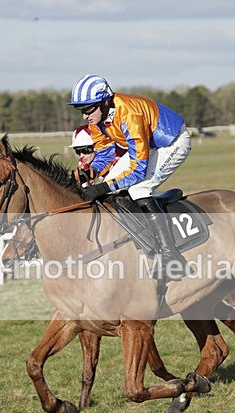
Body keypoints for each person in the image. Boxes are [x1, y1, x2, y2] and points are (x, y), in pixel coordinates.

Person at [66, 74, 192, 279]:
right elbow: (105, 151)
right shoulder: (97, 120)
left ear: (104, 102)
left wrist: (102, 188)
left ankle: (172, 256)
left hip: (172, 142)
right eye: (81, 110)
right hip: (148, 144)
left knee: (138, 188)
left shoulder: (129, 114)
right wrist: (93, 171)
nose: (84, 116)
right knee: (111, 185)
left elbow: (138, 169)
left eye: (88, 109)